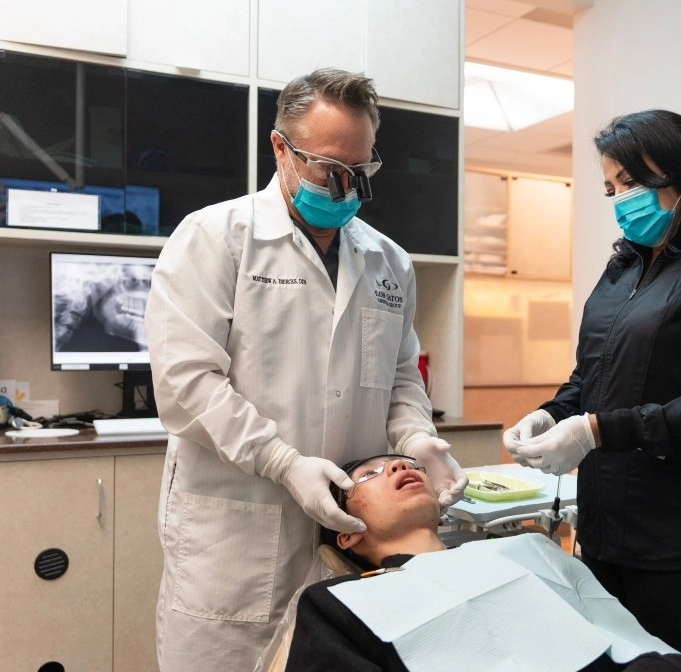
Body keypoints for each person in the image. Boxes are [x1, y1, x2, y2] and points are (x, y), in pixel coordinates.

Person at [144, 68, 468, 672]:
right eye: (329, 170)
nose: (346, 189)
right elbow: (186, 385)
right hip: (237, 540)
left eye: (361, 173)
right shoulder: (217, 238)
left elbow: (401, 380)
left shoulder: (388, 262)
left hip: (351, 545)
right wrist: (283, 463)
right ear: (280, 149)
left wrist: (418, 438)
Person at [503, 110, 681, 672]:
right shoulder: (623, 271)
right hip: (607, 535)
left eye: (631, 182)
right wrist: (551, 413)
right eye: (610, 188)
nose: (619, 199)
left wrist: (596, 430)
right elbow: (592, 378)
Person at [277, 455, 681, 672]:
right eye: (368, 475)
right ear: (345, 531)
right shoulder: (336, 603)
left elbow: (626, 635)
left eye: (407, 462)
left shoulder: (528, 549)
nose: (399, 464)